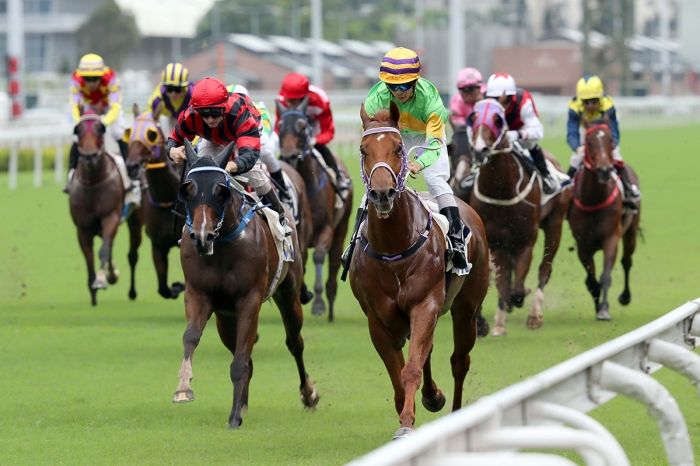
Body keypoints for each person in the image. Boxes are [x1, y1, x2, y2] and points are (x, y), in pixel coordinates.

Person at [362, 47, 469, 270]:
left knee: (434, 180)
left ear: (415, 81)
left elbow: (435, 143)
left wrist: (420, 162)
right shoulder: (375, 98)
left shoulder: (430, 99)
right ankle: (354, 242)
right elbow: (370, 138)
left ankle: (457, 238)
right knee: (375, 184)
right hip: (394, 135)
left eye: (404, 86)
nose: (398, 92)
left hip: (425, 137)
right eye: (392, 87)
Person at [166, 77, 291, 234]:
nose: (210, 120)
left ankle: (280, 219)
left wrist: (231, 165)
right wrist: (172, 151)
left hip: (242, 135)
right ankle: (192, 223)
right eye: (204, 115)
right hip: (212, 139)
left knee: (256, 176)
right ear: (197, 111)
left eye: (215, 113)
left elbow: (250, 154)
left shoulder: (239, 113)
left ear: (224, 107)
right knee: (201, 174)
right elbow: (173, 139)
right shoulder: (191, 116)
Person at [66, 53, 139, 210]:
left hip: (109, 107)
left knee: (118, 133)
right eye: (87, 79)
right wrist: (79, 123)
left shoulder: (111, 78)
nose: (91, 83)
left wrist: (103, 122)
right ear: (81, 77)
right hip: (88, 106)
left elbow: (115, 107)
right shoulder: (75, 79)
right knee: (77, 137)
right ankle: (70, 175)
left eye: (95, 79)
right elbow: (73, 105)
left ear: (102, 76)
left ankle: (131, 178)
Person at [567, 75, 640, 206]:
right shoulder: (574, 108)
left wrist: (613, 144)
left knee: (617, 158)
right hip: (586, 134)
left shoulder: (608, 106)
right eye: (586, 102)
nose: (590, 105)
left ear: (600, 98)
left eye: (594, 101)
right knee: (575, 160)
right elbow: (572, 132)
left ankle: (629, 191)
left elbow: (614, 128)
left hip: (605, 135)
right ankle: (566, 191)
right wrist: (577, 147)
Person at [274, 72, 350, 193]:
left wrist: (315, 140)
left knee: (321, 148)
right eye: (289, 101)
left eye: (295, 101)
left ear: (304, 96)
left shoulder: (320, 100)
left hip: (314, 129)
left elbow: (328, 131)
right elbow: (279, 128)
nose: (292, 105)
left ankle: (338, 177)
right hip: (294, 134)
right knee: (285, 155)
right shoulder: (281, 100)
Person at [484, 73, 558, 195]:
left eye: (497, 97)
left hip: (519, 133)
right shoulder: (485, 101)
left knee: (530, 143)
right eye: (491, 97)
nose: (493, 101)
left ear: (507, 95)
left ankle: (545, 175)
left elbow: (538, 131)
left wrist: (518, 134)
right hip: (495, 136)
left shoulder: (523, 101)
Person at [227, 83, 291, 206]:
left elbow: (263, 134)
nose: (235, 103)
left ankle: (284, 191)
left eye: (239, 99)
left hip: (261, 139)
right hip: (236, 141)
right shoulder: (224, 110)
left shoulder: (258, 108)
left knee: (265, 152)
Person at [448, 67, 484, 166]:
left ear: (479, 87)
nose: (464, 93)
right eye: (461, 89)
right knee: (460, 133)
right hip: (465, 137)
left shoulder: (489, 97)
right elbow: (460, 127)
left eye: (469, 89)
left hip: (486, 135)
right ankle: (461, 165)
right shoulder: (457, 102)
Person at [146, 62, 193, 135]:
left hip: (188, 120)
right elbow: (151, 119)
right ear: (164, 87)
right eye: (169, 89)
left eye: (177, 89)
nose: (173, 94)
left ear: (185, 87)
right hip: (168, 118)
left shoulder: (193, 94)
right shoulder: (157, 99)